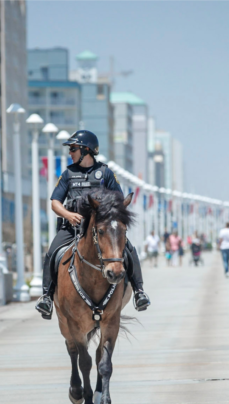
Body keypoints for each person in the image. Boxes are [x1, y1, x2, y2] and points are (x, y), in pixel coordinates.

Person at [35, 130, 150, 319]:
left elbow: (118, 202)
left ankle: (139, 292)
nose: (70, 153)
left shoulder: (105, 173)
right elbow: (55, 203)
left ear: (86, 150)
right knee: (52, 253)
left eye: (73, 149)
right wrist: (69, 215)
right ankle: (46, 297)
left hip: (101, 229)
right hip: (72, 228)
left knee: (129, 249)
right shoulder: (68, 174)